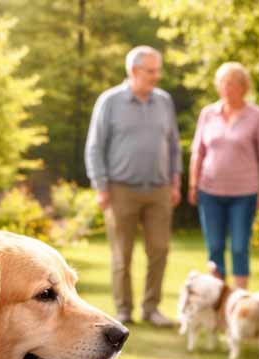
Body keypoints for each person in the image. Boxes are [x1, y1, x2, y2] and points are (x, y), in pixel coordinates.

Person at [84, 45, 182, 327]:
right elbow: (94, 146)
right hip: (120, 189)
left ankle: (151, 309)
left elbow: (174, 144)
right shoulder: (110, 101)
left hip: (159, 189)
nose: (156, 76)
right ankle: (123, 310)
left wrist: (175, 179)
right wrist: (100, 185)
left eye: (157, 70)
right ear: (134, 71)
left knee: (160, 250)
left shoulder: (164, 101)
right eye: (151, 71)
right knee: (122, 254)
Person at [188, 62, 259, 290]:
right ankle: (218, 299)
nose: (227, 88)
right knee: (215, 246)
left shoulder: (257, 116)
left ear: (244, 87)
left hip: (244, 193)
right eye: (223, 83)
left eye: (232, 83)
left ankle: (239, 299)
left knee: (238, 247)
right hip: (210, 191)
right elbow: (198, 151)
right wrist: (193, 184)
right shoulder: (208, 113)